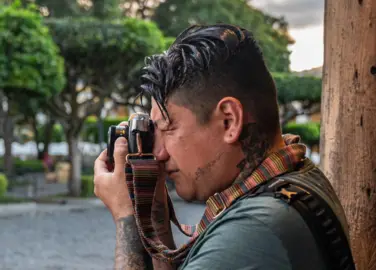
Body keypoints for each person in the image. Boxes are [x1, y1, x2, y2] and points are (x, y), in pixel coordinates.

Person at [94, 24, 350, 270]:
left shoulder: (254, 232)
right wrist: (152, 209)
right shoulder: (293, 179)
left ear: (229, 121)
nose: (159, 153)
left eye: (168, 128)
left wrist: (126, 218)